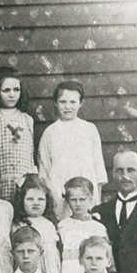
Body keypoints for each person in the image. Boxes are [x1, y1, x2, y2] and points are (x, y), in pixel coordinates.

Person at [38, 80, 107, 210]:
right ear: (55, 103)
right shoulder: (50, 132)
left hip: (85, 190)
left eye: (73, 102)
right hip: (59, 191)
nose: (68, 107)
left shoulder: (89, 129)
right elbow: (44, 169)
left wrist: (97, 200)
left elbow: (98, 166)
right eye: (63, 102)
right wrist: (53, 197)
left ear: (81, 103)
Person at [0, 67, 36, 202]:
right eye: (6, 90)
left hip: (24, 185)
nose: (12, 95)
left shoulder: (27, 119)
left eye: (16, 90)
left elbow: (30, 155)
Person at [57, 177, 108, 273]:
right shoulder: (62, 226)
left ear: (90, 199)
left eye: (82, 199)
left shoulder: (98, 227)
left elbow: (108, 257)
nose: (78, 204)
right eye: (73, 200)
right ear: (67, 201)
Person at [12, 173, 62, 273]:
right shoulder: (19, 224)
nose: (36, 203)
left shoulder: (50, 223)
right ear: (21, 201)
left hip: (51, 267)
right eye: (30, 199)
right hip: (29, 266)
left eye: (41, 199)